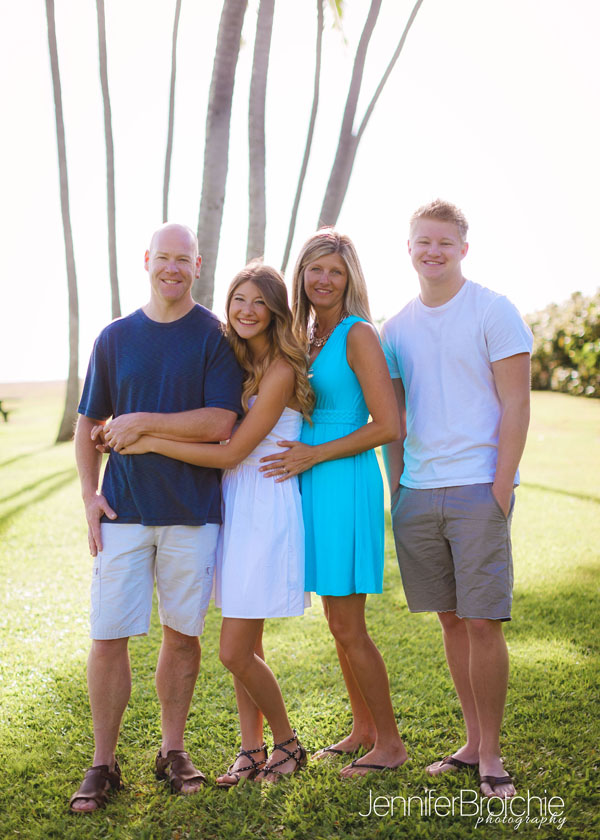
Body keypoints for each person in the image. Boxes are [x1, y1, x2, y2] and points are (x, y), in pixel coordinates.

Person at [118, 262, 313, 784]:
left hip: (264, 507)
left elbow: (231, 452)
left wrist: (149, 439)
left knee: (233, 651)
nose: (247, 311)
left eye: (259, 304)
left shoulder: (279, 372)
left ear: (275, 312)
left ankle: (288, 743)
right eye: (239, 301)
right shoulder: (238, 360)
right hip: (231, 505)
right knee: (248, 647)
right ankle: (250, 752)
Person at [70, 223, 243, 812]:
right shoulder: (114, 338)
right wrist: (89, 496)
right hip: (122, 510)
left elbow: (220, 422)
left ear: (198, 266)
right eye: (163, 258)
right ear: (147, 261)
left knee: (183, 635)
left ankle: (173, 751)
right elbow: (87, 424)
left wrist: (141, 421)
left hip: (192, 512)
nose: (172, 268)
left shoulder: (216, 337)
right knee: (108, 635)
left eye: (183, 259)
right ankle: (102, 763)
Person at [381, 199, 533, 799]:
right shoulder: (395, 328)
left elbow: (518, 404)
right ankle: (470, 743)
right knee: (449, 620)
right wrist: (398, 487)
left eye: (445, 242)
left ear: (463, 248)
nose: (433, 251)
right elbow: (394, 417)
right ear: (410, 247)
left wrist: (500, 485)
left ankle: (492, 755)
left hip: (478, 488)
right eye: (423, 242)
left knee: (482, 621)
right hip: (418, 492)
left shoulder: (494, 311)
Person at [260, 229, 408, 778]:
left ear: (350, 279)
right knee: (335, 619)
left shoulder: (358, 334)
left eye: (336, 272)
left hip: (343, 479)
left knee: (350, 625)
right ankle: (363, 729)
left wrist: (313, 455)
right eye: (315, 269)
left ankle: (390, 743)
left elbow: (388, 424)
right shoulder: (306, 335)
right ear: (301, 275)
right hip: (313, 480)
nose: (324, 280)